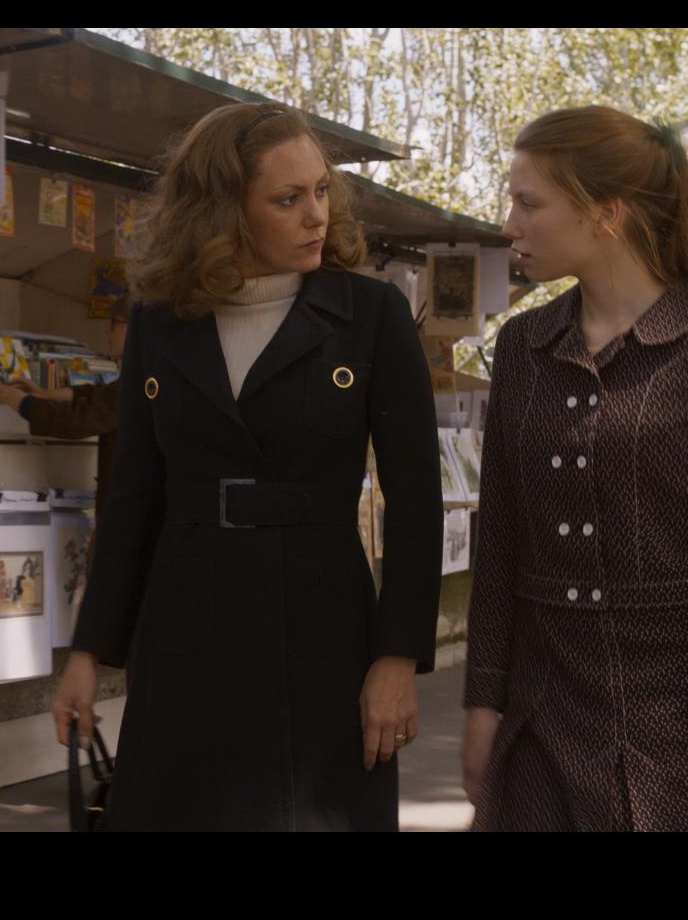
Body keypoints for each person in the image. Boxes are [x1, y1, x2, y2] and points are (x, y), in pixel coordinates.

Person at [51, 101, 443, 831]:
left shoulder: (372, 316)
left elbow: (416, 501)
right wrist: (89, 648)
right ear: (223, 211)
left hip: (324, 632)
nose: (316, 216)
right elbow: (134, 494)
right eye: (288, 199)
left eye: (322, 191)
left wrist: (398, 660)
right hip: (185, 628)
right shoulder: (159, 321)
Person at [462, 106, 688, 832]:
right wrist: (482, 703)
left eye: (528, 202)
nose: (510, 223)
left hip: (678, 723)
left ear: (605, 213)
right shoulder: (522, 345)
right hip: (539, 718)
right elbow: (500, 547)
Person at [0, 297, 128, 514]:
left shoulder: (141, 384)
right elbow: (97, 395)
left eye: (113, 323)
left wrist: (9, 396)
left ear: (136, 328)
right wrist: (44, 394)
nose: (107, 331)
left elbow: (76, 420)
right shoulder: (146, 379)